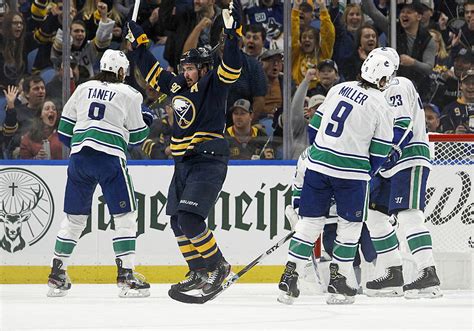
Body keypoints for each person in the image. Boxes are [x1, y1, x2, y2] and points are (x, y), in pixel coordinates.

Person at [127, 0, 242, 296]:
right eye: (184, 68)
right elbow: (152, 71)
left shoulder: (215, 84)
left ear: (204, 69)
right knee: (178, 220)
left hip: (208, 158)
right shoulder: (177, 86)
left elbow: (232, 63)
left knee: (191, 218)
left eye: (191, 68)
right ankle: (198, 270)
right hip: (183, 163)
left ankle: (219, 265)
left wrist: (231, 32)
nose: (186, 72)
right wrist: (138, 42)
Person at [278, 53, 396, 305]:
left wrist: (325, 153)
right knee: (350, 227)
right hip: (350, 175)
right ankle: (339, 282)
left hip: (317, 165)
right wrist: (364, 172)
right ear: (385, 78)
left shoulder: (339, 88)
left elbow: (313, 128)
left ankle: (290, 276)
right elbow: (381, 150)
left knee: (309, 224)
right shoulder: (381, 105)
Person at [46, 49, 151, 298]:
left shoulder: (83, 88)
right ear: (122, 72)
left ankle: (57, 274)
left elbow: (63, 132)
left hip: (79, 158)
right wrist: (148, 120)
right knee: (124, 216)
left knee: (74, 220)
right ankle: (126, 277)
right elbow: (137, 138)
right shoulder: (130, 93)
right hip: (109, 159)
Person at [364, 47, 442, 299]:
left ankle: (427, 272)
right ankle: (393, 272)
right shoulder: (375, 91)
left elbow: (403, 124)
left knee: (409, 214)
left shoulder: (397, 84)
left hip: (409, 157)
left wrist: (389, 153)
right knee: (374, 215)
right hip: (388, 164)